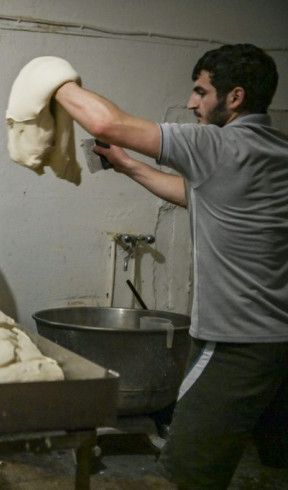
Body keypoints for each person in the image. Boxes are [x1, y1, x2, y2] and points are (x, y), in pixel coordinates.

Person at [52, 44, 287, 488]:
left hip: (235, 342)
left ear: (234, 97)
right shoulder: (274, 149)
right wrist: (127, 167)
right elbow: (195, 196)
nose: (193, 103)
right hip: (277, 340)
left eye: (201, 91)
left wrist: (49, 77)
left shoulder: (217, 143)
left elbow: (107, 124)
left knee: (188, 473)